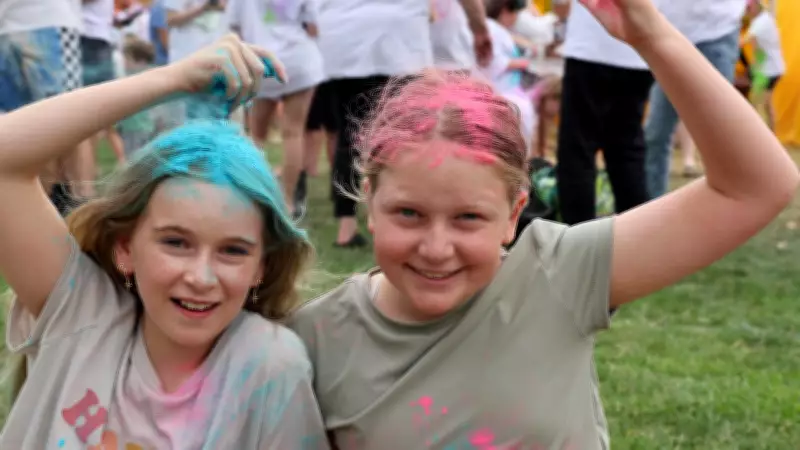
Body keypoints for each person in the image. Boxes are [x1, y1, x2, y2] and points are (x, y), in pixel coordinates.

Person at [286, 0, 799, 447]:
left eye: (469, 218)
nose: (437, 247)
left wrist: (652, 35)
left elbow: (757, 185)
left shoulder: (558, 274)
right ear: (369, 201)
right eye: (409, 214)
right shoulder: (316, 338)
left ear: (514, 214)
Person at [0, 34, 329, 449]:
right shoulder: (81, 316)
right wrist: (170, 80)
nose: (200, 276)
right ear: (125, 248)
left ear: (262, 266)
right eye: (176, 243)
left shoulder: (271, 364)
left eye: (233, 250)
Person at [228, 0, 325, 219]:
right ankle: (288, 202)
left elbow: (235, 26)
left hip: (260, 59)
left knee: (256, 135)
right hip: (297, 60)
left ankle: (250, 196)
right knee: (293, 133)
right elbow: (314, 26)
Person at [644, 0, 746, 199]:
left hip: (719, 30)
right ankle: (650, 205)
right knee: (656, 132)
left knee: (721, 133)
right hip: (668, 34)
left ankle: (728, 206)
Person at [0, 0, 83, 215]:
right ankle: (40, 208)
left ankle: (78, 205)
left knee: (68, 118)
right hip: (7, 27)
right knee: (20, 125)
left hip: (48, 20)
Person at [742, 0, 785, 131]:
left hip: (769, 71)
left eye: (748, 8)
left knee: (757, 104)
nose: (747, 11)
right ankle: (771, 135)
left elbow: (745, 41)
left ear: (755, 6)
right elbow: (757, 49)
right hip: (771, 69)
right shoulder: (767, 18)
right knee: (766, 105)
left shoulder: (760, 23)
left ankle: (759, 136)